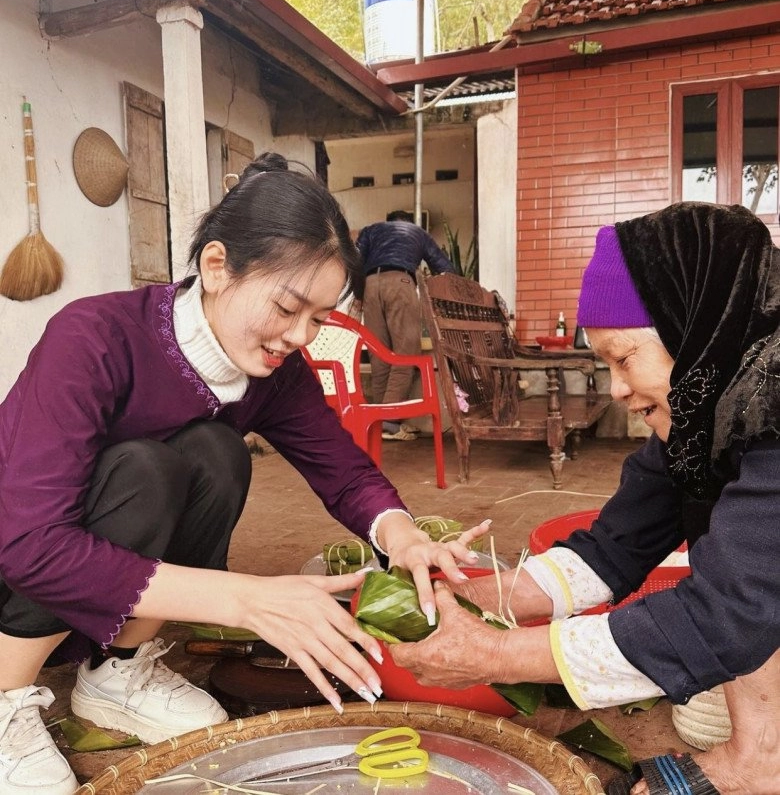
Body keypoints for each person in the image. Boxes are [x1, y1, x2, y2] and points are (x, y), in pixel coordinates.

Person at [0, 154, 489, 795]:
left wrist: (405, 537)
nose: (299, 336)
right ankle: (5, 699)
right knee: (144, 467)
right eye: (287, 306)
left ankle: (115, 674)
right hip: (18, 573)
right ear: (217, 267)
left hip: (100, 583)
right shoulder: (93, 338)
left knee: (216, 452)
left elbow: (345, 474)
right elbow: (32, 545)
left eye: (317, 318)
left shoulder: (275, 375)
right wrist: (245, 600)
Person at [391, 202, 780, 795]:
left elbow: (727, 615)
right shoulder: (700, 407)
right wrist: (483, 596)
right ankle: (762, 757)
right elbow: (612, 548)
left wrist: (495, 656)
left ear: (693, 328)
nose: (619, 389)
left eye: (624, 359)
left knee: (743, 594)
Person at [355, 211, 456, 440]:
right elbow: (445, 268)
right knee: (406, 353)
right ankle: (390, 422)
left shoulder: (371, 229)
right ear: (408, 223)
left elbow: (354, 261)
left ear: (388, 221)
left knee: (379, 356)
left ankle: (381, 422)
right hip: (400, 283)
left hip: (370, 286)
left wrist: (359, 296)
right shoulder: (417, 232)